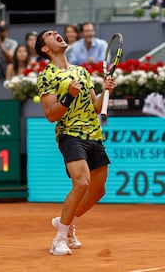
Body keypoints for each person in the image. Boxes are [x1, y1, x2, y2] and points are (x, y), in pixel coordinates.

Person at [35, 30, 116, 256]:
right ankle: (59, 238)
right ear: (45, 49)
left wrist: (104, 91)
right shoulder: (46, 76)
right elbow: (51, 115)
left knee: (98, 190)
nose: (57, 34)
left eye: (56, 32)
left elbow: (96, 107)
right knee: (82, 183)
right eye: (50, 35)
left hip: (93, 133)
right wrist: (68, 95)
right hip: (70, 133)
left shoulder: (82, 72)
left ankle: (67, 221)